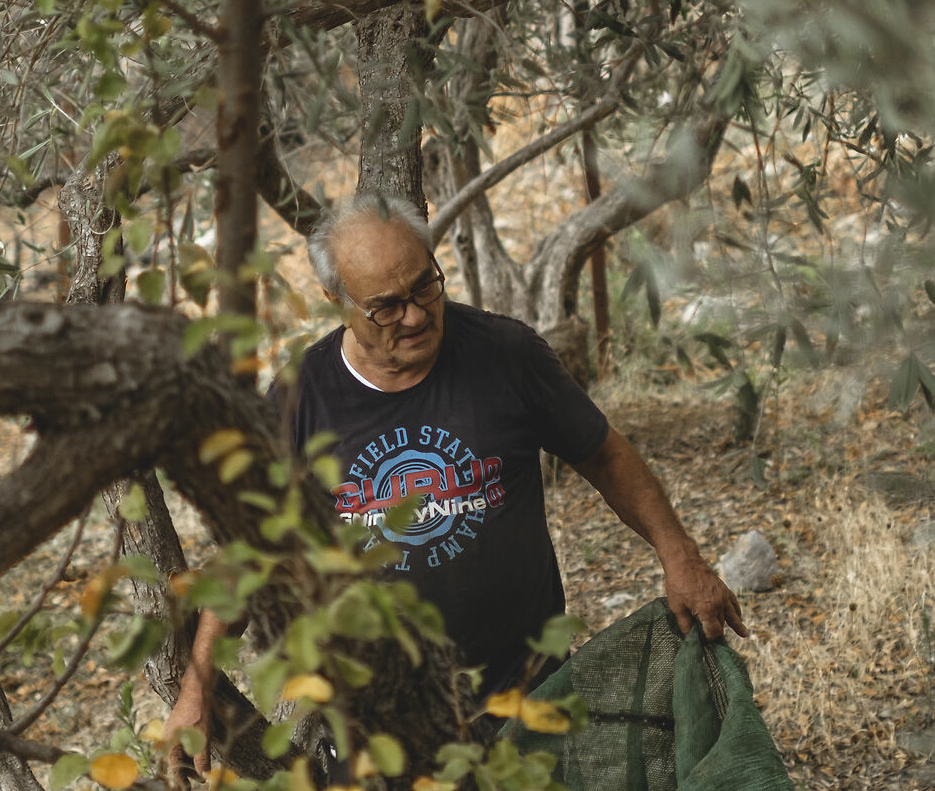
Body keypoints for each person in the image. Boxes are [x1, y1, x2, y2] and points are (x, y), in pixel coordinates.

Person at [165, 191, 747, 761]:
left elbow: (605, 455)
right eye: (386, 306)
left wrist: (682, 558)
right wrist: (197, 688)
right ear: (336, 299)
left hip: (529, 700)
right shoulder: (300, 400)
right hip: (383, 729)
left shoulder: (506, 354)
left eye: (425, 286)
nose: (415, 315)